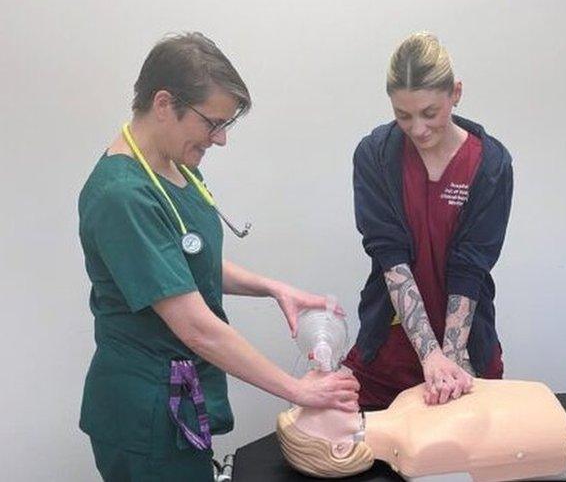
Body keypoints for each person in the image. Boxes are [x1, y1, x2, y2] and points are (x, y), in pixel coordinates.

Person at [78, 32, 359, 481]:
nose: (222, 139)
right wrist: (299, 391)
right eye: (213, 123)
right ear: (165, 104)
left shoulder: (174, 165)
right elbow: (195, 326)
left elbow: (185, 261)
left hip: (180, 401)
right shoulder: (122, 197)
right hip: (145, 410)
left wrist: (272, 288)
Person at [344, 32, 514, 409]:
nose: (417, 129)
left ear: (455, 93)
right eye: (403, 115)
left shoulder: (490, 165)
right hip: (389, 350)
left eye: (429, 113)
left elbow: (471, 267)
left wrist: (449, 363)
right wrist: (429, 356)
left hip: (466, 348)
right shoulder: (375, 156)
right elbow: (391, 257)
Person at [276, 377, 566, 481]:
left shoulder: (403, 401)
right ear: (340, 448)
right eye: (308, 415)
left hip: (541, 410)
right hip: (554, 436)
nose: (310, 402)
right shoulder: (418, 455)